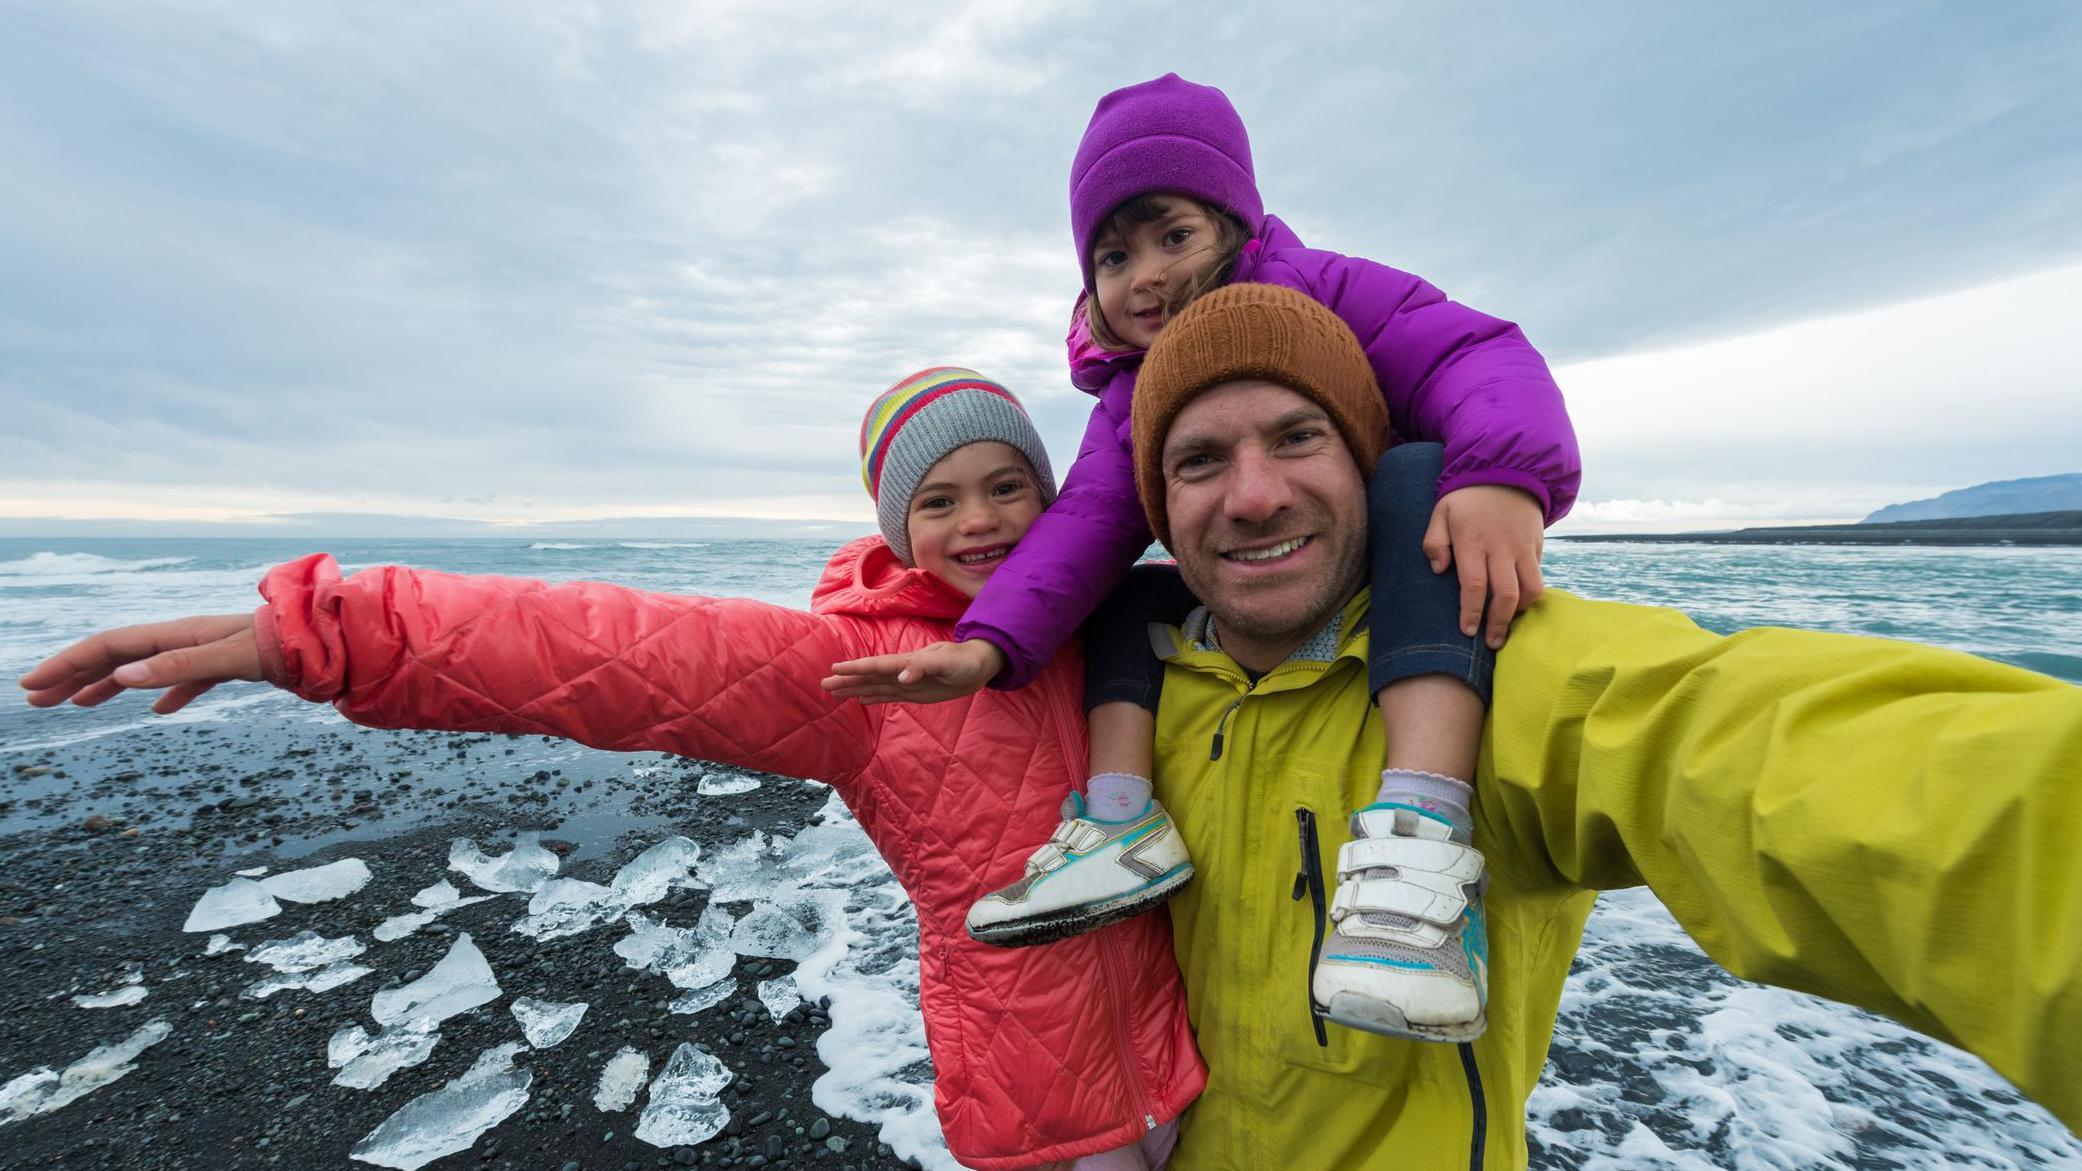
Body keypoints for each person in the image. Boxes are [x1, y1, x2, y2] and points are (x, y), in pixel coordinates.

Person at [15, 368, 1204, 1171]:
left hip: (1197, 1056)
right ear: (896, 530)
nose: (982, 519)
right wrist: (328, 634)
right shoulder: (858, 675)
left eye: (1010, 486)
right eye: (938, 500)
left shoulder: (1121, 621)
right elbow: (613, 654)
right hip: (1042, 1097)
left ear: (1060, 498)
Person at [1122, 282, 2081, 1168]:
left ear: (1369, 465)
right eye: (1199, 460)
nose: (1253, 496)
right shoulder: (1120, 708)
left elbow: (1746, 744)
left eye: (1297, 439)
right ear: (1159, 510)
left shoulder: (1486, 663)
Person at [827, 74, 1581, 1046]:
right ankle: (1121, 816)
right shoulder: (1128, 392)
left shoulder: (1327, 290)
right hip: (1254, 587)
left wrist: (1502, 478)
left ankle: (1421, 830)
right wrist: (986, 644)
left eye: (1171, 236)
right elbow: (1085, 526)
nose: (1143, 275)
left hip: (1401, 564)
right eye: (1112, 254)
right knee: (1125, 588)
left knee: (1417, 474)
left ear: (1233, 221)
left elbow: (1469, 354)